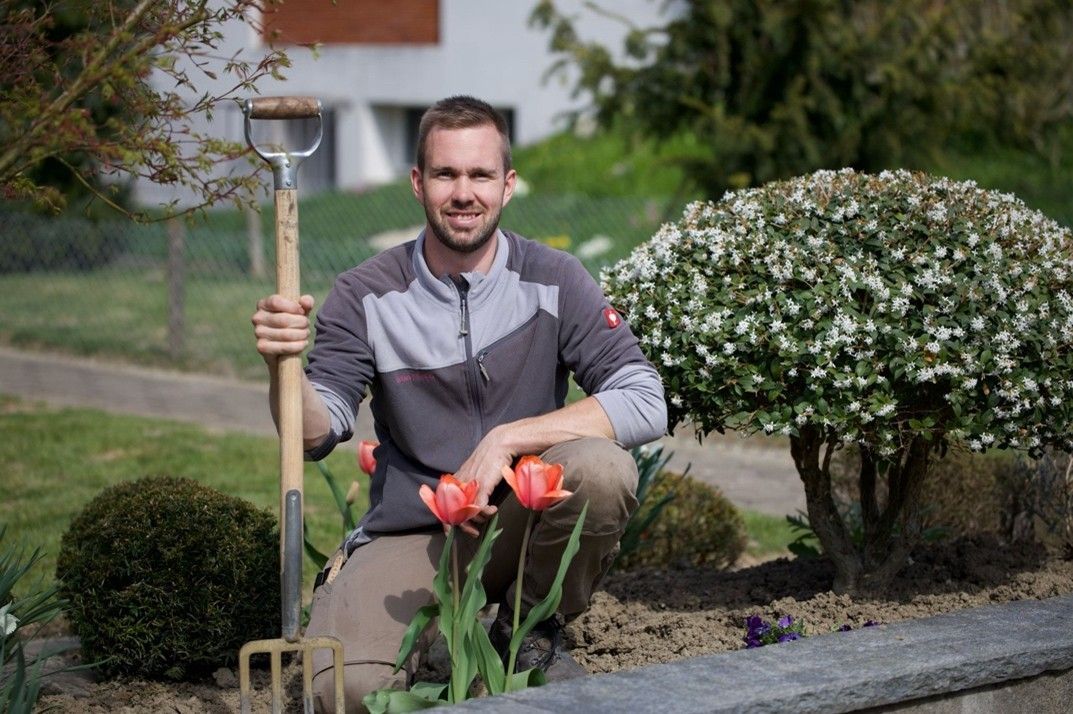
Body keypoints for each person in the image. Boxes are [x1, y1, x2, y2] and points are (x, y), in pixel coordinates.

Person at [251, 95, 667, 712]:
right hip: (415, 534)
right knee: (349, 694)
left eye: (480, 174)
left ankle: (524, 635)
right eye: (446, 174)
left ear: (508, 184)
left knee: (602, 470)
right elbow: (317, 435)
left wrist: (504, 440)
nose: (463, 192)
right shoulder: (366, 294)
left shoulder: (554, 279)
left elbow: (645, 399)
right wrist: (282, 367)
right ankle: (436, 640)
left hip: (521, 526)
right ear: (418, 183)